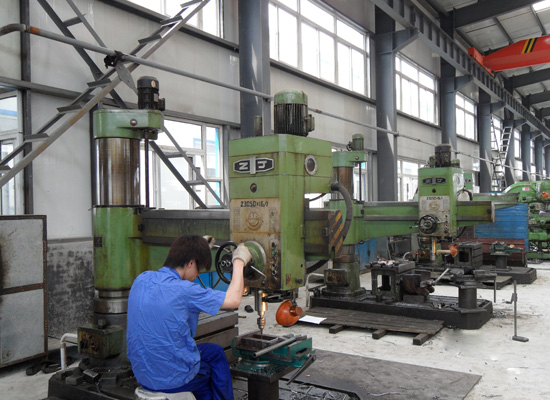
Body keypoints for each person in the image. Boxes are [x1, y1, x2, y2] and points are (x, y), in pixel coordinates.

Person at [127, 235, 252, 400]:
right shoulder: (185, 290)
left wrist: (199, 248)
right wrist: (239, 261)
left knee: (211, 354)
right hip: (173, 381)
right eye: (198, 269)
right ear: (191, 263)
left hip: (143, 376)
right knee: (215, 360)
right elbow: (233, 300)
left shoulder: (141, 279)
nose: (198, 274)